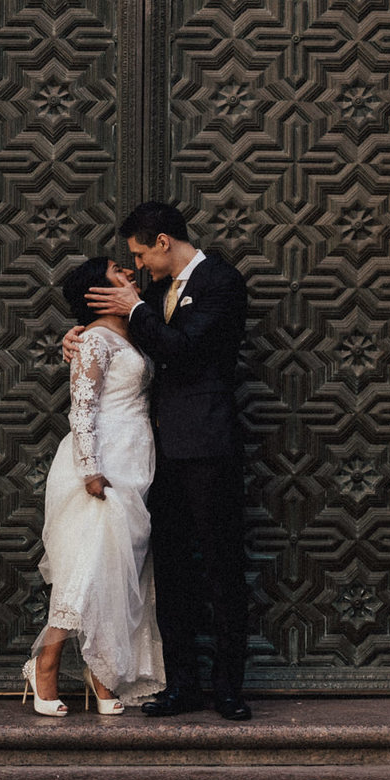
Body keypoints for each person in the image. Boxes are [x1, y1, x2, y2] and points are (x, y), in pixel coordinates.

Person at [69, 201, 254, 720]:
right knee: (171, 573)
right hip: (158, 453)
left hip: (209, 444)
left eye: (140, 254)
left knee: (221, 568)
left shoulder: (221, 281)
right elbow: (122, 337)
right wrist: (77, 336)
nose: (138, 265)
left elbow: (186, 347)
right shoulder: (149, 293)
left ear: (164, 243)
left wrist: (135, 309)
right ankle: (183, 687)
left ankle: (229, 689)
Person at [30, 258, 167, 716]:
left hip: (135, 461)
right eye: (114, 269)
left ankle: (102, 670)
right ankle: (45, 663)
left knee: (118, 570)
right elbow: (82, 408)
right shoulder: (92, 339)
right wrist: (90, 468)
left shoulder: (136, 333)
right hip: (101, 463)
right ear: (95, 292)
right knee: (88, 567)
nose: (128, 269)